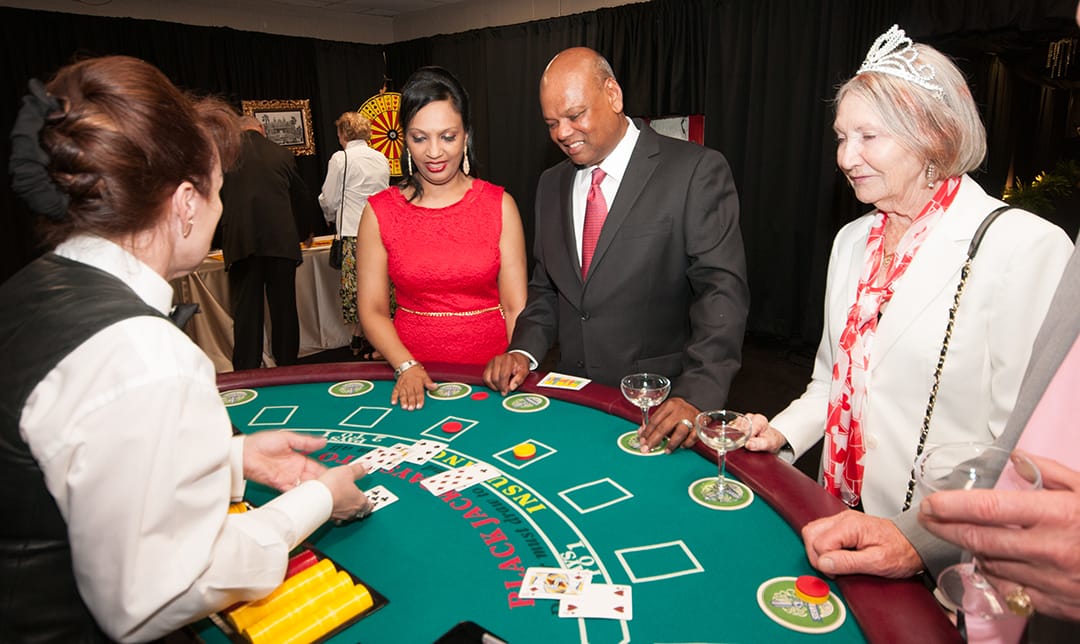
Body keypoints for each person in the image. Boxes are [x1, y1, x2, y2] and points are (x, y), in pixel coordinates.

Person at [0, 56, 372, 642]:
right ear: (186, 204)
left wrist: (231, 458)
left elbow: (79, 468)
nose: (219, 209)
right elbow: (159, 594)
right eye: (218, 190)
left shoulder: (31, 285)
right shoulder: (142, 355)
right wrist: (319, 500)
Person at [743, 26, 1073, 519]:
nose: (845, 158)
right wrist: (781, 432)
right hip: (837, 512)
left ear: (934, 138)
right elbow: (834, 380)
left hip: (948, 540)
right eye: (841, 138)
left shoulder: (1023, 247)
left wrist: (925, 542)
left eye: (867, 137)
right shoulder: (852, 242)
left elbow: (1021, 449)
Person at [482, 47, 749, 452]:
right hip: (574, 403)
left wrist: (697, 393)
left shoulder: (695, 171)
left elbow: (721, 295)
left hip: (659, 407)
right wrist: (523, 350)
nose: (563, 133)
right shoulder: (550, 184)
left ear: (613, 94)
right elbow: (546, 289)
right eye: (552, 123)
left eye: (575, 116)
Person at [357, 66, 528, 411]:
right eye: (420, 138)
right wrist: (406, 366)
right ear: (404, 138)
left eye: (447, 137)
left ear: (466, 136)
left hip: (492, 378)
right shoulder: (378, 212)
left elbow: (516, 308)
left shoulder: (500, 205)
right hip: (410, 377)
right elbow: (372, 310)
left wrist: (515, 363)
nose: (434, 152)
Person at [219, 115, 321, 370]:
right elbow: (301, 195)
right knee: (284, 308)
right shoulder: (281, 154)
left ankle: (246, 368)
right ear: (262, 129)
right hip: (280, 243)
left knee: (246, 312)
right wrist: (305, 231)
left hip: (241, 244)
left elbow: (216, 198)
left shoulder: (225, 156)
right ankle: (287, 364)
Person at [318, 111, 390, 359]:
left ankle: (363, 338)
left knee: (356, 288)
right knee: (380, 286)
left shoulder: (341, 159)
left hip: (352, 233)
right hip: (381, 232)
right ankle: (367, 336)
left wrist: (329, 215)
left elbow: (329, 198)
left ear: (343, 134)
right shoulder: (381, 158)